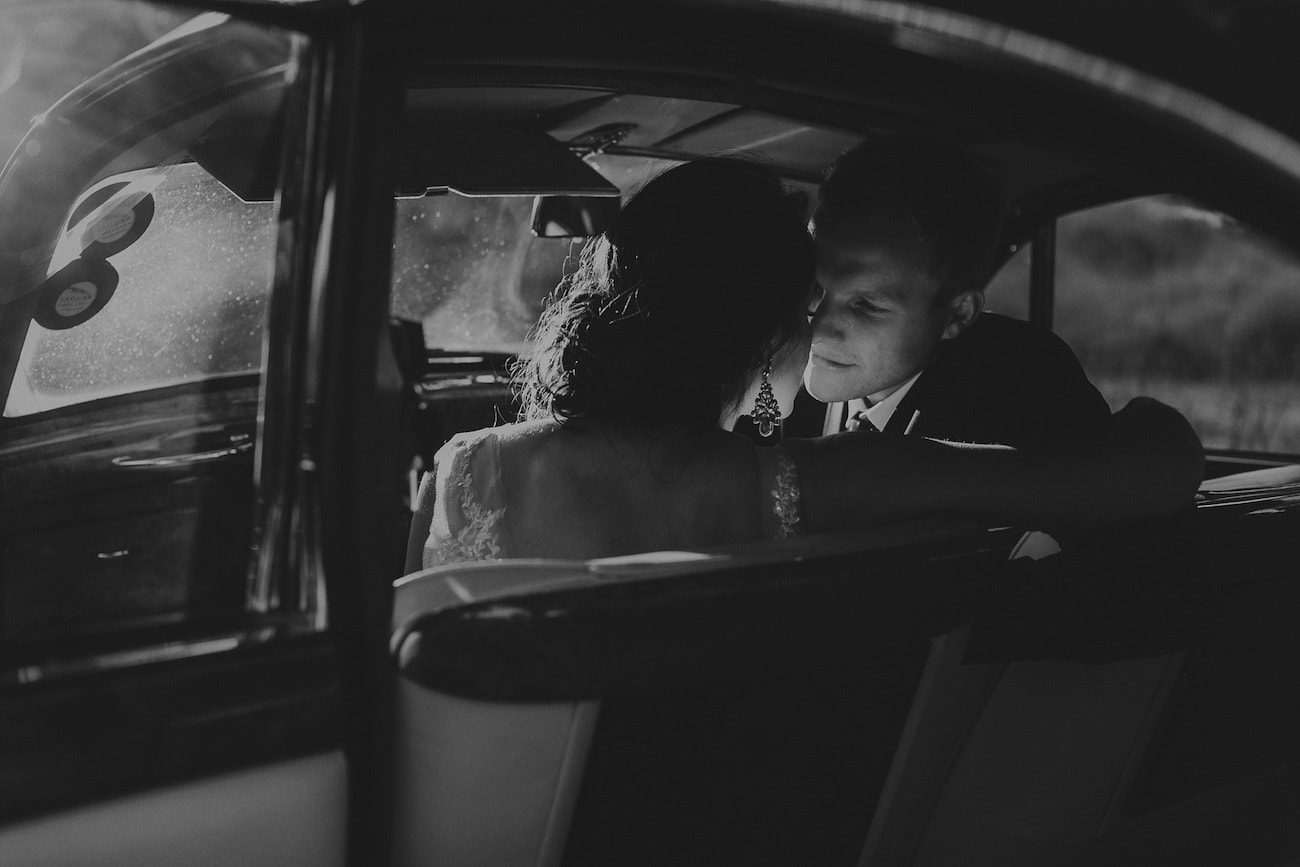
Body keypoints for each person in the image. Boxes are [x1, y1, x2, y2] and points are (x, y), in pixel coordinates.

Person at [404, 157, 1200, 572]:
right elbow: (1150, 477)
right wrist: (1150, 422)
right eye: (810, 302)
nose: (821, 326)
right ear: (760, 339)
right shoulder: (828, 476)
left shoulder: (461, 471)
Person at [805, 135, 1113, 443]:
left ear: (958, 315)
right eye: (811, 286)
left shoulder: (1028, 396)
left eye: (866, 306)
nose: (815, 329)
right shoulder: (776, 370)